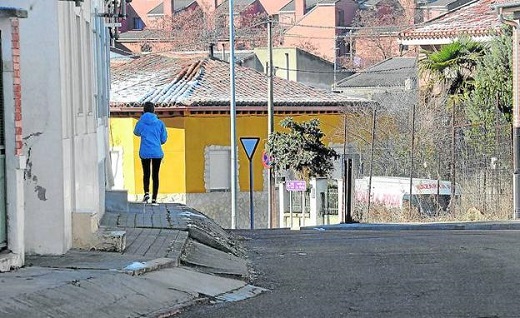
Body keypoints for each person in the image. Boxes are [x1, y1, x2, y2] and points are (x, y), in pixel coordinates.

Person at [133, 101, 167, 205]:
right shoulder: (160, 123)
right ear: (154, 111)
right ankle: (154, 198)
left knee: (146, 173)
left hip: (145, 152)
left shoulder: (141, 122)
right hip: (157, 152)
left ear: (144, 110)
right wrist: (157, 141)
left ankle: (146, 193)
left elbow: (136, 132)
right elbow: (164, 139)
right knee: (155, 175)